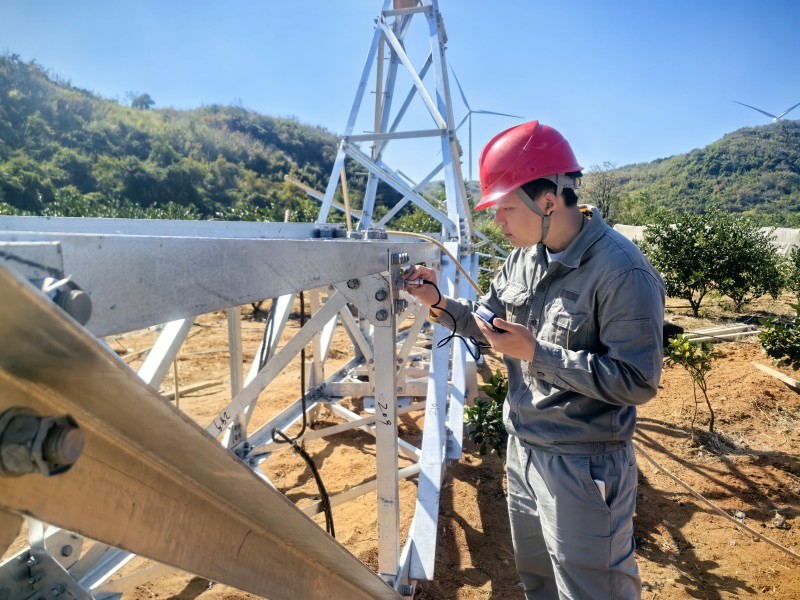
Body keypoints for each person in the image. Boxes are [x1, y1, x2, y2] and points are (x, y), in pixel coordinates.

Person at [403, 120, 665, 600]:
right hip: (523, 450)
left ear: (549, 200)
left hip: (583, 463)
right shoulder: (524, 258)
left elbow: (638, 382)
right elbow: (488, 325)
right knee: (539, 581)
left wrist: (537, 353)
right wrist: (438, 302)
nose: (496, 221)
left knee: (592, 589)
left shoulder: (622, 271)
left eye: (504, 207)